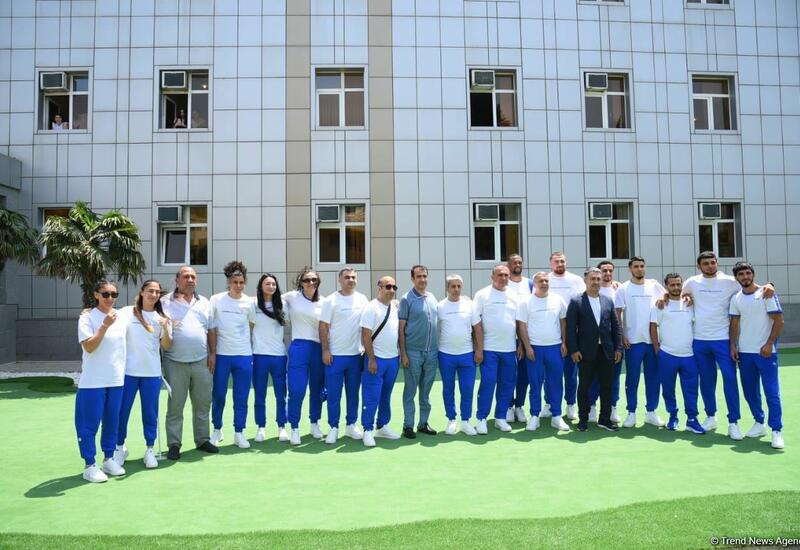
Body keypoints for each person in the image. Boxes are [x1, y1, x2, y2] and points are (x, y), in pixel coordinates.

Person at [680, 251, 774, 440]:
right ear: (699, 266)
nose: (710, 266)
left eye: (712, 262)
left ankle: (733, 422)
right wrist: (683, 298)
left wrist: (770, 285)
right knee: (706, 381)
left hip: (723, 340)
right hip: (699, 340)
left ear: (717, 263)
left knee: (730, 380)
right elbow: (676, 295)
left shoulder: (730, 281)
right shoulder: (692, 282)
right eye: (705, 263)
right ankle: (711, 416)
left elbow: (753, 286)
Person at [161, 266, 218, 460]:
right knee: (175, 406)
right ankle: (174, 444)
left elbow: (211, 330)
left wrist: (213, 354)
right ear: (177, 280)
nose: (190, 280)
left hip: (202, 361)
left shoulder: (205, 303)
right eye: (186, 276)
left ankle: (202, 440)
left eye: (193, 276)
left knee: (203, 403)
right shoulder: (165, 302)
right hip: (174, 362)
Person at [114, 280, 172, 470]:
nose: (153, 295)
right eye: (150, 291)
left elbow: (166, 345)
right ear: (142, 292)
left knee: (150, 413)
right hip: (128, 373)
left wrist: (165, 328)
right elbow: (106, 314)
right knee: (122, 412)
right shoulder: (126, 312)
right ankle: (120, 447)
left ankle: (150, 449)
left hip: (152, 374)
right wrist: (88, 311)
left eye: (157, 292)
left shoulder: (162, 317)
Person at [76, 280, 128, 483]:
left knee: (112, 422)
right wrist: (105, 325)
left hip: (116, 380)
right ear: (96, 295)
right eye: (105, 294)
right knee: (89, 425)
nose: (110, 298)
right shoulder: (87, 318)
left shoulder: (122, 316)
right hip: (92, 382)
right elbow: (89, 347)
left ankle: (108, 459)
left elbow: (146, 304)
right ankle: (89, 465)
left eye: (114, 294)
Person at [729, 262, 785, 449]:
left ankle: (776, 430)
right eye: (741, 274)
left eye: (748, 273)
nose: (745, 277)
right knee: (750, 391)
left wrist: (769, 344)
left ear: (753, 274)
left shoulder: (766, 293)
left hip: (766, 353)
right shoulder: (736, 298)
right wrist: (733, 345)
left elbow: (779, 321)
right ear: (736, 278)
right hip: (745, 354)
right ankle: (759, 423)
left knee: (771, 393)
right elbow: (734, 323)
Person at [566, 268, 623, 432]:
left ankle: (605, 420)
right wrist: (574, 350)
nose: (596, 282)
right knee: (584, 387)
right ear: (585, 281)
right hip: (585, 352)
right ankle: (583, 420)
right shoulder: (576, 301)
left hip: (606, 351)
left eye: (598, 279)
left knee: (607, 386)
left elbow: (616, 326)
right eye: (593, 279)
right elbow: (571, 329)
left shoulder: (607, 300)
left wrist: (618, 347)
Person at [649, 273, 705, 434]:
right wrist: (657, 349)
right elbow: (653, 326)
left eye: (678, 284)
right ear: (666, 286)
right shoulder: (660, 305)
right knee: (668, 389)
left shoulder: (690, 303)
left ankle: (692, 419)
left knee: (691, 390)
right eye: (672, 285)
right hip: (667, 354)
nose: (676, 287)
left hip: (689, 356)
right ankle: (673, 416)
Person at [209, 261, 256, 449]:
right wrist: (213, 353)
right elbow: (212, 328)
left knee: (241, 396)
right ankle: (217, 429)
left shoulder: (249, 302)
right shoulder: (216, 300)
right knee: (219, 394)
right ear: (228, 282)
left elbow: (251, 325)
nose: (238, 285)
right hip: (222, 356)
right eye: (235, 282)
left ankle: (239, 432)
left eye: (241, 282)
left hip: (243, 356)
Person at [615, 257, 667, 429]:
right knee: (632, 379)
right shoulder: (623, 288)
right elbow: (617, 313)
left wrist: (664, 299)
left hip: (653, 341)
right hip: (633, 341)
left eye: (642, 266)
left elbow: (669, 297)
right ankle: (631, 413)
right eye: (636, 266)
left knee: (653, 378)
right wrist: (622, 335)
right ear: (630, 269)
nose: (639, 269)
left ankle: (651, 412)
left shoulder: (654, 285)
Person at [319, 267, 369, 444]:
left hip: (355, 355)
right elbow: (323, 327)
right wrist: (325, 350)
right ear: (339, 280)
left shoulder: (362, 299)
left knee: (353, 393)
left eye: (353, 277)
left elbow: (368, 324)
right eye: (347, 277)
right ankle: (333, 427)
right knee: (334, 394)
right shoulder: (330, 300)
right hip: (335, 356)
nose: (351, 280)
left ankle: (351, 425)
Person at [516, 272, 571, 432]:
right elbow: (521, 326)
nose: (544, 283)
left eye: (546, 280)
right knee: (535, 383)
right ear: (534, 284)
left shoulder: (557, 299)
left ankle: (556, 416)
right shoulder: (525, 302)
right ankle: (534, 416)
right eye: (541, 281)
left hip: (555, 348)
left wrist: (564, 342)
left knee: (556, 383)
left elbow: (563, 322)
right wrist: (528, 347)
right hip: (535, 349)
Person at [472, 264, 522, 434]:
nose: (503, 278)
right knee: (488, 383)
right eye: (500, 275)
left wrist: (521, 344)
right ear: (492, 276)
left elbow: (519, 323)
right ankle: (481, 419)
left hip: (510, 349)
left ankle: (500, 418)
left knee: (507, 385)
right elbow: (476, 324)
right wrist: (479, 349)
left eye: (506, 275)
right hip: (489, 349)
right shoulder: (482, 295)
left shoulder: (514, 296)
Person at [542, 251, 585, 421]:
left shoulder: (576, 280)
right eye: (556, 261)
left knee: (571, 373)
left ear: (566, 262)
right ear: (550, 263)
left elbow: (583, 301)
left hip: (572, 332)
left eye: (562, 261)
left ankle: (571, 404)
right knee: (550, 373)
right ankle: (549, 403)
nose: (560, 264)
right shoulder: (545, 279)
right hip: (551, 333)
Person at [284, 268, 325, 445]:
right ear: (301, 282)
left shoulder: (324, 302)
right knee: (297, 390)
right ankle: (294, 427)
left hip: (318, 348)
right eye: (307, 280)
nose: (311, 283)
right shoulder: (292, 297)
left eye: (314, 280)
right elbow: (268, 297)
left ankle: (314, 423)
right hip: (299, 347)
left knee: (317, 389)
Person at [360, 276, 402, 447]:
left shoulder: (395, 307)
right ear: (379, 288)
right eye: (387, 286)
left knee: (386, 395)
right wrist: (371, 359)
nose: (391, 290)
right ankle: (367, 429)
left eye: (394, 287)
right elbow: (365, 334)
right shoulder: (371, 307)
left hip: (393, 359)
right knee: (371, 396)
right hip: (376, 360)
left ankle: (382, 425)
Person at [399, 265, 439, 438]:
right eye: (418, 276)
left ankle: (423, 423)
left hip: (432, 353)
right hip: (413, 352)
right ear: (412, 279)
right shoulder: (406, 299)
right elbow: (401, 329)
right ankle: (408, 425)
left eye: (424, 276)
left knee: (426, 391)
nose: (422, 279)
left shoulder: (432, 297)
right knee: (410, 391)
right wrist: (403, 354)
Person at [437, 274, 478, 436]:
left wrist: (478, 350)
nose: (456, 289)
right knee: (448, 388)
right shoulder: (440, 306)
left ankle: (466, 421)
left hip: (467, 354)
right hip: (446, 354)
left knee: (467, 389)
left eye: (459, 286)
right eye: (453, 286)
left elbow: (477, 328)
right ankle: (451, 420)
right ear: (447, 288)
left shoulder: (470, 305)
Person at [252, 273, 289, 443]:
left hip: (279, 356)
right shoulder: (253, 304)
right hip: (259, 355)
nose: (271, 287)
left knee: (281, 394)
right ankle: (261, 427)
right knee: (260, 394)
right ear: (261, 286)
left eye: (274, 284)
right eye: (267, 284)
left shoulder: (283, 304)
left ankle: (282, 426)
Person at [587, 260, 623, 423]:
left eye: (610, 270)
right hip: (593, 345)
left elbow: (618, 321)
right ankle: (591, 408)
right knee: (593, 379)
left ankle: (613, 408)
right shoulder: (590, 291)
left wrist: (619, 344)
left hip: (611, 343)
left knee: (613, 379)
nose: (607, 273)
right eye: (604, 271)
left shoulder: (619, 289)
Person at [505, 253, 531, 424]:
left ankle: (519, 406)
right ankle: (508, 406)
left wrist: (522, 341)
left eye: (520, 262)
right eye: (514, 262)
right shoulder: (503, 283)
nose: (518, 265)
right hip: (507, 339)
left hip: (526, 338)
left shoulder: (529, 284)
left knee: (524, 375)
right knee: (508, 375)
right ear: (508, 265)